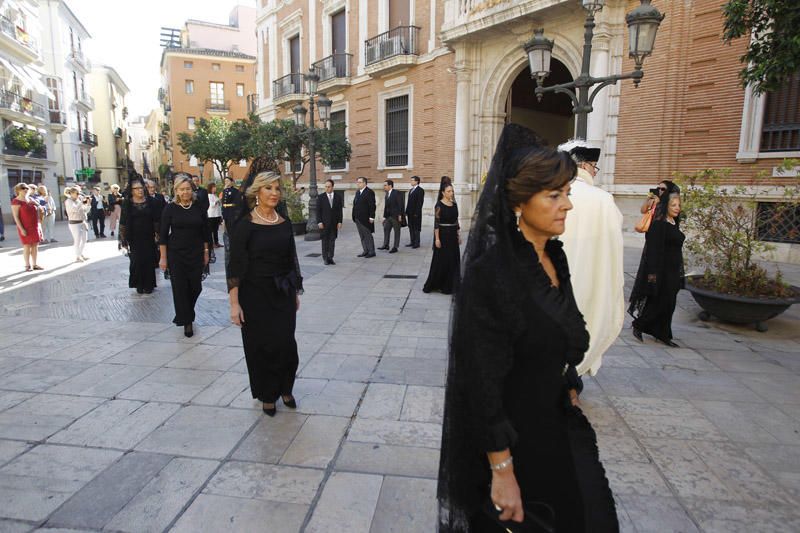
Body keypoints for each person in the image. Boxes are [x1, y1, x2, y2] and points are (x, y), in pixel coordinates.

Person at [437, 124, 618, 532]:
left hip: (556, 425)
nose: (567, 205)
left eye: (567, 193)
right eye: (554, 195)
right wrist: (502, 471)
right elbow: (480, 381)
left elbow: (560, 335)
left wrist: (568, 382)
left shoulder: (554, 257)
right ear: (519, 203)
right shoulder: (493, 274)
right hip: (515, 443)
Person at [227, 172, 303, 417]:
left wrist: (294, 292)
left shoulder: (284, 222)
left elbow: (291, 258)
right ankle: (268, 393)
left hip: (282, 292)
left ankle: (285, 387)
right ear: (256, 192)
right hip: (254, 295)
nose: (274, 193)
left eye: (277, 188)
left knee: (286, 344)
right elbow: (235, 266)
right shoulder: (245, 225)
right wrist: (234, 304)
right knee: (262, 346)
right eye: (268, 188)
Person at [557, 140, 625, 378]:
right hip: (589, 282)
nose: (595, 172)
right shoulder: (602, 200)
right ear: (585, 166)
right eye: (595, 167)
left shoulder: (548, 194)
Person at [629, 181, 685, 348]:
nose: (677, 208)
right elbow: (653, 250)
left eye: (679, 205)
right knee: (660, 301)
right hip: (661, 269)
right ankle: (640, 324)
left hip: (673, 270)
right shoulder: (659, 223)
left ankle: (662, 332)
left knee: (669, 303)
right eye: (673, 205)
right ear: (666, 205)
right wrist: (652, 274)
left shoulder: (674, 222)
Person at [159, 174, 212, 337]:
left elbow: (205, 231)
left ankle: (187, 312)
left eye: (188, 189)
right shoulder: (170, 208)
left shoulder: (198, 207)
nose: (185, 192)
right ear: (176, 191)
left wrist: (206, 252)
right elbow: (162, 234)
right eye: (181, 189)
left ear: (192, 189)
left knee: (196, 287)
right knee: (180, 288)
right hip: (176, 254)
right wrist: (163, 257)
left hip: (196, 252)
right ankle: (186, 321)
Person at [119, 177, 159, 294]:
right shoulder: (127, 203)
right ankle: (139, 284)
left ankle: (149, 285)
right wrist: (123, 240)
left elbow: (156, 219)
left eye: (141, 188)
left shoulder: (151, 202)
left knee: (149, 260)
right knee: (136, 261)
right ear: (131, 190)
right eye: (136, 188)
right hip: (134, 237)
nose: (140, 190)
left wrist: (158, 234)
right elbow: (123, 222)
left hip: (148, 235)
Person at [423, 184, 461, 294]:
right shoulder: (439, 205)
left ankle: (451, 285)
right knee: (442, 260)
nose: (451, 193)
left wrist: (458, 235)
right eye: (449, 191)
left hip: (453, 236)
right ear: (443, 193)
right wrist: (437, 239)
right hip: (443, 235)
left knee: (453, 260)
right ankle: (438, 284)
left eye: (452, 191)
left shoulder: (454, 205)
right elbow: (436, 223)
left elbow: (456, 220)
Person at [11, 183, 43, 271]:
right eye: (22, 188)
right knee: (27, 246)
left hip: (35, 225)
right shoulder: (16, 201)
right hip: (25, 226)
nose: (25, 189)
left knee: (35, 245)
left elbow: (40, 208)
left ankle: (35, 264)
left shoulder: (30, 199)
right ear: (18, 190)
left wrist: (35, 203)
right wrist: (21, 229)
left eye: (26, 188)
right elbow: (16, 217)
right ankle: (27, 265)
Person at [316, 179, 343, 265]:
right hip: (324, 224)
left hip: (334, 224)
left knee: (332, 241)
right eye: (326, 187)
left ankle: (330, 257)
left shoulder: (338, 197)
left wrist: (340, 221)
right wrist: (319, 222)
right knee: (325, 241)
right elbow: (318, 211)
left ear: (332, 187)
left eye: (329, 187)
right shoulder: (320, 197)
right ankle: (325, 258)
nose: (327, 188)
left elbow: (340, 211)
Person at [63, 186, 90, 263]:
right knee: (77, 240)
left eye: (79, 193)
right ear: (71, 193)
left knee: (84, 240)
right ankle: (77, 256)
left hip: (82, 222)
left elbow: (85, 211)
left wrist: (88, 204)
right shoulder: (68, 201)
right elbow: (74, 209)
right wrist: (81, 202)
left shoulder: (78, 200)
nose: (78, 195)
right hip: (74, 223)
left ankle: (80, 254)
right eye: (77, 193)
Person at [352, 176, 376, 258]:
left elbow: (372, 205)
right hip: (358, 218)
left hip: (366, 219)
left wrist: (372, 217)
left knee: (368, 235)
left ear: (364, 183)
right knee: (362, 235)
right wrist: (354, 216)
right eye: (357, 182)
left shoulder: (369, 192)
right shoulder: (358, 192)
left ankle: (372, 251)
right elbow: (355, 204)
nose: (358, 184)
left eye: (359, 182)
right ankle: (365, 250)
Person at [379, 179, 403, 253]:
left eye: (385, 185)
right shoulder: (387, 193)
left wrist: (400, 215)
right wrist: (384, 217)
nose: (384, 186)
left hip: (395, 216)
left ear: (390, 185)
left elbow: (400, 205)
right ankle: (386, 245)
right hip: (388, 217)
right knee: (386, 229)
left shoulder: (397, 193)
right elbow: (386, 207)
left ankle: (395, 247)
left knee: (397, 232)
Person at [404, 176, 425, 248]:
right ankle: (412, 242)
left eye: (412, 180)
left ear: (417, 181)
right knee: (411, 227)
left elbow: (420, 203)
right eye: (411, 180)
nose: (411, 182)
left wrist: (416, 213)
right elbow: (409, 202)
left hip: (416, 214)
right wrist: (406, 211)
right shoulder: (411, 190)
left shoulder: (420, 190)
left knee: (416, 228)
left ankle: (417, 243)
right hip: (410, 213)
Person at [207, 182, 222, 248]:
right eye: (214, 187)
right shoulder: (208, 195)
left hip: (217, 215)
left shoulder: (215, 195)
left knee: (216, 230)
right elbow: (212, 205)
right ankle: (212, 243)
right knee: (211, 230)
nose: (215, 188)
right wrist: (219, 198)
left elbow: (219, 205)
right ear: (210, 188)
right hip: (211, 216)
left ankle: (216, 242)